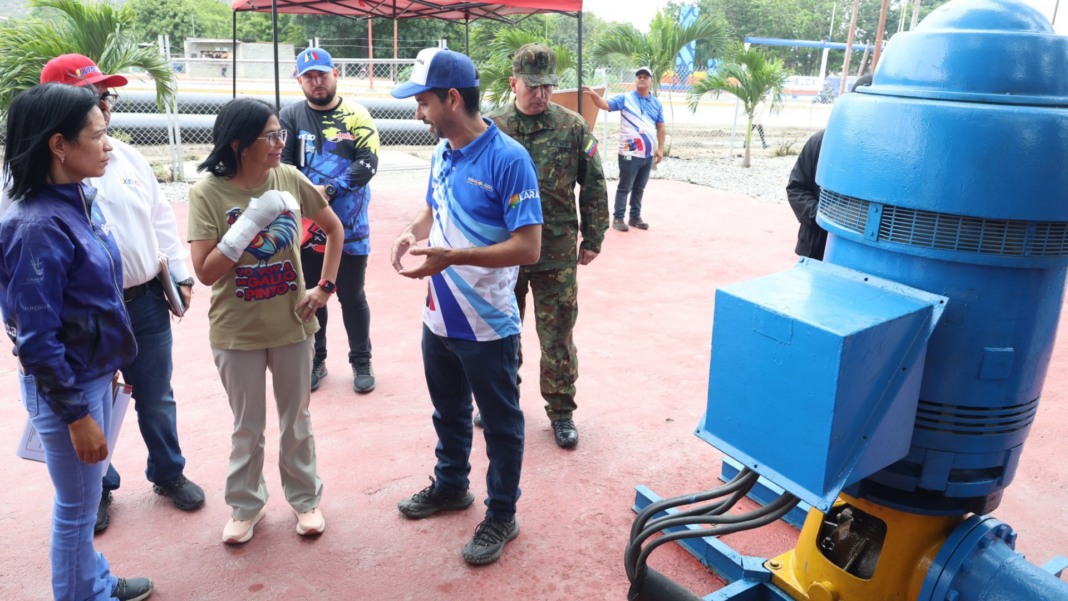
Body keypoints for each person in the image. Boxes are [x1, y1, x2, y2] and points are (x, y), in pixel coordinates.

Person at [0, 53, 207, 533]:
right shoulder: (26, 188)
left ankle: (168, 472)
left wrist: (179, 273)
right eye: (91, 96)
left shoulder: (125, 156)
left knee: (156, 396)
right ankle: (98, 485)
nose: (104, 105)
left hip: (142, 303)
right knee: (92, 405)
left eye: (105, 95)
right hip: (76, 324)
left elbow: (159, 218)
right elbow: (21, 268)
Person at [388, 48, 543, 565]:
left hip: (489, 323)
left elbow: (529, 247)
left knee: (500, 423)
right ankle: (452, 485)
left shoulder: (509, 159)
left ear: (453, 99)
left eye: (425, 102)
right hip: (439, 314)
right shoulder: (443, 151)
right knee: (448, 410)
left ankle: (502, 512)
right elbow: (435, 204)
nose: (419, 113)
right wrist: (414, 230)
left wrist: (455, 255)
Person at [0, 82, 154, 601]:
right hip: (68, 390)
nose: (109, 145)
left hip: (87, 378)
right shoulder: (38, 226)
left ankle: (95, 582)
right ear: (59, 146)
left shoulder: (76, 200)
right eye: (100, 134)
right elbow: (38, 340)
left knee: (82, 503)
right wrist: (78, 416)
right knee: (76, 510)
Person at [187, 98, 344, 544]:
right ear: (238, 144)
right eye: (271, 136)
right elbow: (205, 271)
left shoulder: (289, 177)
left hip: (292, 322)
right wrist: (252, 220)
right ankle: (245, 506)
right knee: (247, 425)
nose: (280, 143)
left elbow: (334, 228)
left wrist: (324, 287)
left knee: (297, 420)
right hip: (237, 330)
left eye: (282, 134)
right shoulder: (208, 193)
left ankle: (305, 499)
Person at [485, 43, 609, 448]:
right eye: (532, 86)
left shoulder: (572, 126)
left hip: (556, 253)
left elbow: (594, 184)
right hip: (506, 252)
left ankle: (561, 412)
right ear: (514, 82)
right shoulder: (493, 128)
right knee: (504, 331)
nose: (540, 94)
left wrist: (594, 237)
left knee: (557, 334)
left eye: (548, 87)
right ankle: (501, 404)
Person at [280, 48, 380, 393]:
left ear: (335, 74)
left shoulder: (357, 115)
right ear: (299, 81)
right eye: (308, 77)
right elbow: (284, 167)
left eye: (322, 74)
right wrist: (310, 197)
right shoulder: (290, 117)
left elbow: (368, 163)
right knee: (312, 295)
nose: (316, 82)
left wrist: (331, 190)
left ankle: (361, 360)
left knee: (352, 296)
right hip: (307, 231)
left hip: (351, 228)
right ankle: (316, 360)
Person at [787, 75, 873, 260]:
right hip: (816, 245)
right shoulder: (821, 141)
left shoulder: (884, 150)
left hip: (861, 251)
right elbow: (796, 188)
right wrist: (822, 216)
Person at [582, 66, 665, 232]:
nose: (642, 79)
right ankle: (618, 217)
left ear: (651, 81)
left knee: (639, 187)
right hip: (629, 153)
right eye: (639, 76)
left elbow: (661, 127)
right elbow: (605, 105)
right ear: (635, 80)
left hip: (647, 155)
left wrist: (660, 149)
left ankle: (635, 216)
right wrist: (594, 95)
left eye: (645, 77)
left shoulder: (656, 104)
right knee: (625, 186)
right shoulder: (626, 98)